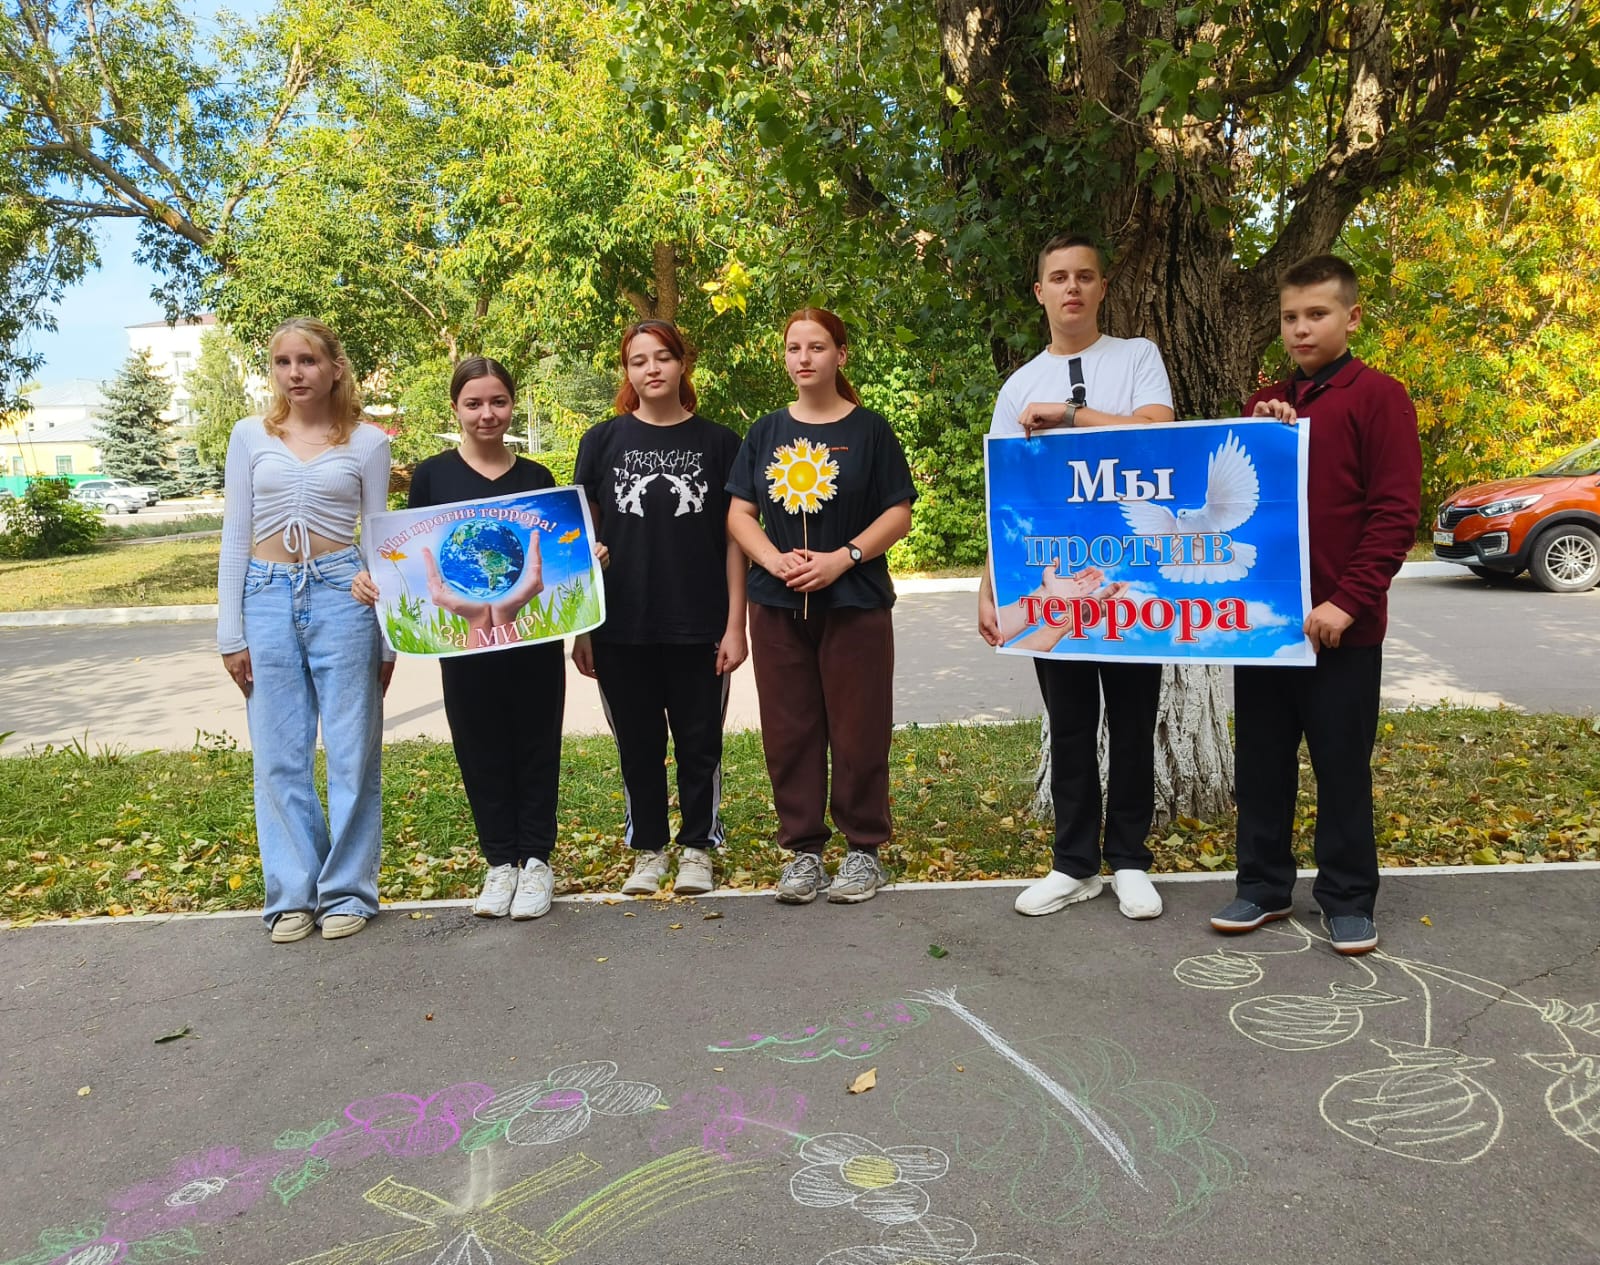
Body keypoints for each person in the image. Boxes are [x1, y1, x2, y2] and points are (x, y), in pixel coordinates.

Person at [1211, 254, 1421, 955]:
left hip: (1342, 632)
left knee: (1340, 763)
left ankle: (1347, 896)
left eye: (1316, 314)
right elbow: (1246, 512)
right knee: (1262, 763)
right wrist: (1269, 431)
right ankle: (1264, 884)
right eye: (1289, 317)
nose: (1300, 329)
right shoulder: (1265, 405)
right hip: (1268, 627)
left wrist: (1347, 603)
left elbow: (1395, 515)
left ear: (1352, 316)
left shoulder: (1379, 397)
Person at [977, 233, 1176, 921]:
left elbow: (1155, 432)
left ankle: (1129, 860)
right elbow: (1007, 496)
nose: (1072, 288)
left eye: (1084, 277)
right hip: (1054, 578)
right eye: (1058, 277)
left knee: (1131, 722)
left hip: (1133, 578)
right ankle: (1073, 863)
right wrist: (988, 582)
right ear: (1039, 292)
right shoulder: (1018, 384)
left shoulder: (1137, 357)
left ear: (1101, 288)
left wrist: (1067, 416)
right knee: (1069, 724)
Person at [353, 358, 571, 921]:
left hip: (532, 642)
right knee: (479, 746)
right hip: (466, 647)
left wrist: (587, 563)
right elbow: (404, 553)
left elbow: (556, 558)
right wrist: (374, 576)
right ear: (455, 410)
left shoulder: (539, 480)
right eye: (473, 403)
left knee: (536, 746)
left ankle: (536, 863)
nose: (486, 413)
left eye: (497, 401)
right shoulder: (432, 476)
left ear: (512, 405)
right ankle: (500, 862)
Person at [726, 308, 915, 905]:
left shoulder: (871, 431)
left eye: (816, 347)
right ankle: (803, 853)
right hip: (777, 606)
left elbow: (898, 513)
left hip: (854, 601)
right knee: (789, 731)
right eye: (793, 348)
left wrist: (844, 557)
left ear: (841, 355)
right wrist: (771, 559)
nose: (803, 358)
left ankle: (863, 851)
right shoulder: (765, 433)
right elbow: (738, 514)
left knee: (859, 729)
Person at [217, 317, 393, 944]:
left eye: (308, 362)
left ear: (334, 368)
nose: (295, 374)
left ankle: (347, 891)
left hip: (344, 595)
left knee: (351, 751)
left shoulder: (367, 441)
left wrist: (388, 633)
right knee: (279, 755)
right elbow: (236, 533)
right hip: (264, 596)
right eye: (283, 362)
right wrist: (229, 632)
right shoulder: (249, 436)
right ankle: (292, 893)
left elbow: (378, 538)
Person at [572, 321, 747, 897]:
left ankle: (698, 847)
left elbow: (734, 541)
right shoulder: (600, 443)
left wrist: (734, 625)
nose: (651, 369)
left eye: (663, 357)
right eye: (638, 360)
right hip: (620, 625)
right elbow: (579, 544)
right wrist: (582, 629)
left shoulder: (721, 444)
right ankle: (648, 849)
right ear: (626, 372)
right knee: (638, 745)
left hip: (699, 623)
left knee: (701, 743)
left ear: (682, 365)